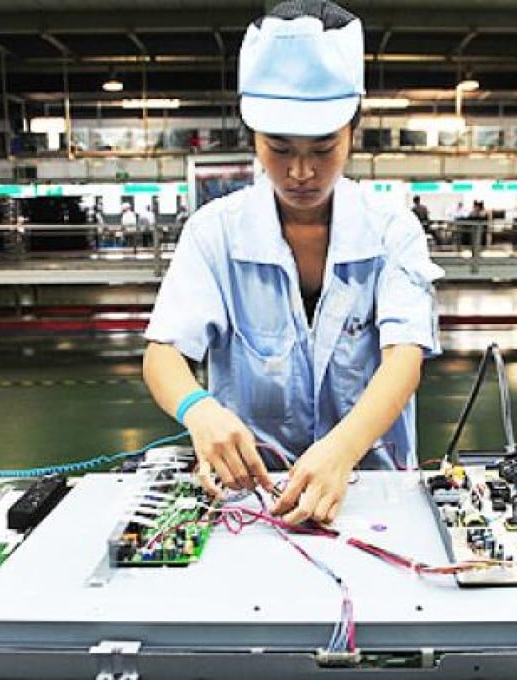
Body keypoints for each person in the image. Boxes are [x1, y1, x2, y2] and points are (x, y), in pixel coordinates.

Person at [143, 0, 443, 526]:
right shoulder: (215, 233)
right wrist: (199, 411)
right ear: (252, 135)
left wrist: (342, 450)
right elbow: (163, 353)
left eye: (323, 148)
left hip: (370, 490)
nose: (300, 171)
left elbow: (404, 359)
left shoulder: (392, 229)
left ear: (354, 129)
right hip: (251, 497)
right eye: (279, 148)